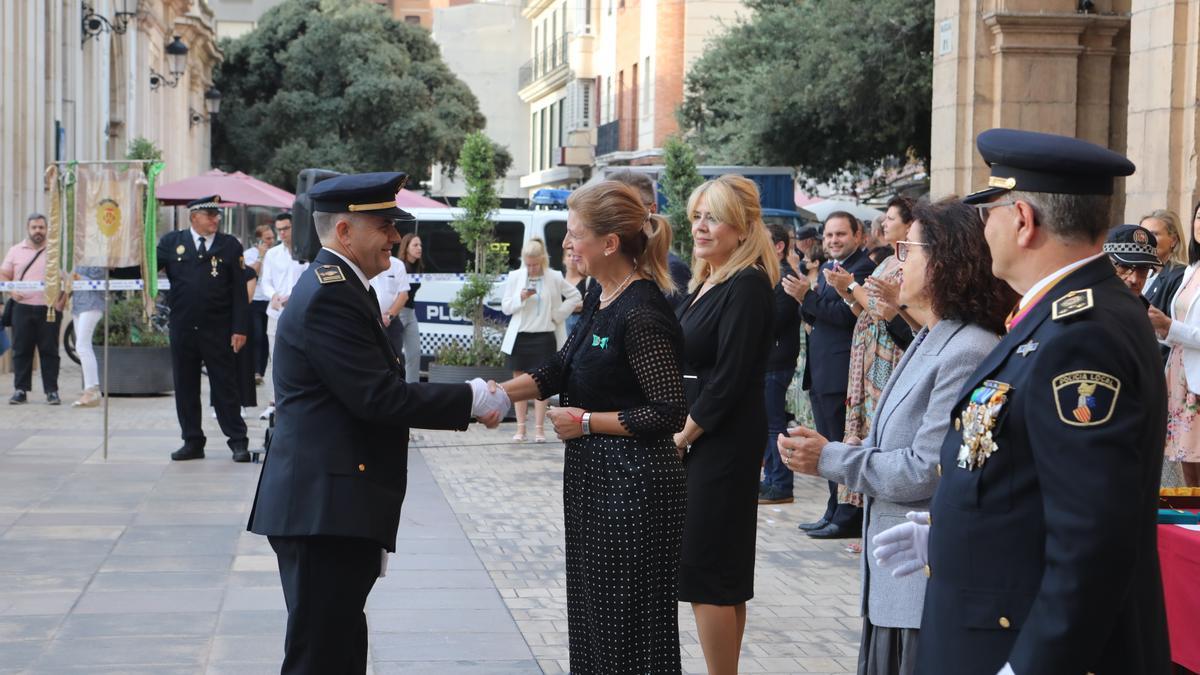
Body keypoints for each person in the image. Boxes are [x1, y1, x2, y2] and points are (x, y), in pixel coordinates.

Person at [874, 128, 1170, 675]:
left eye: (990, 211)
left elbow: (1092, 536)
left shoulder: (1084, 331)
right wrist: (957, 536)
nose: (983, 228)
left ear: (1023, 220)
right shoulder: (1054, 315)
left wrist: (1034, 666)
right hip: (992, 620)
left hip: (1021, 646)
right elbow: (1030, 478)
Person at [246, 171, 508, 675]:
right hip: (323, 509)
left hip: (333, 503)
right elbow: (377, 397)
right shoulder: (330, 295)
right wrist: (473, 397)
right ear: (346, 232)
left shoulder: (346, 285)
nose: (394, 236)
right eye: (384, 225)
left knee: (339, 645)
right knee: (319, 655)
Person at [779, 197, 1015, 675]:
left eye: (911, 249)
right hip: (895, 586)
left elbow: (923, 470)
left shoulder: (966, 347)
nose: (898, 262)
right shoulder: (936, 333)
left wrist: (829, 458)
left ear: (948, 263)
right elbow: (890, 441)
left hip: (921, 588)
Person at [488, 179, 687, 674]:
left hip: (635, 485)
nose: (568, 245)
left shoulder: (641, 310)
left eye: (575, 234)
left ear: (610, 243)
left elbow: (668, 411)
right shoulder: (602, 293)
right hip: (596, 477)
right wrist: (485, 396)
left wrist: (586, 422)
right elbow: (559, 368)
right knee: (594, 614)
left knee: (628, 623)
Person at [673, 174, 779, 675]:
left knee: (708, 572)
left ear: (741, 228)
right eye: (696, 216)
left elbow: (730, 377)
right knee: (720, 571)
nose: (701, 226)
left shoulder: (747, 284)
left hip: (721, 439)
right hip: (711, 435)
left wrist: (684, 435)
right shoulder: (709, 281)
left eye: (712, 217)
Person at [782, 212, 877, 539]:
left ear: (859, 235)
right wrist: (804, 297)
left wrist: (807, 296)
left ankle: (849, 513)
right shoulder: (827, 270)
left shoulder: (862, 269)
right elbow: (812, 313)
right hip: (821, 369)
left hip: (842, 371)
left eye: (841, 234)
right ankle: (833, 508)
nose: (834, 240)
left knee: (840, 444)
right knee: (827, 444)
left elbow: (844, 316)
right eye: (830, 236)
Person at [156, 196, 251, 462]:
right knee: (185, 386)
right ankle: (192, 440)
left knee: (225, 386)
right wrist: (114, 264)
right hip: (184, 328)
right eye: (210, 215)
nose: (215, 219)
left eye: (217, 215)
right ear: (194, 217)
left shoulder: (229, 246)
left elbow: (239, 293)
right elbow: (145, 268)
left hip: (218, 329)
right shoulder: (171, 243)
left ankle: (238, 441)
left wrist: (240, 328)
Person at [499, 238, 581, 442]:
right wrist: (521, 298)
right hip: (520, 337)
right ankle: (520, 429)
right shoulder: (515, 276)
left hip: (544, 336)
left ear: (542, 260)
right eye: (528, 264)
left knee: (541, 383)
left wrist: (558, 314)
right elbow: (506, 307)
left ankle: (539, 429)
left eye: (535, 264)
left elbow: (575, 296)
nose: (532, 268)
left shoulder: (553, 276)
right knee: (519, 383)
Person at [1149, 200, 1200, 487]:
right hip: (1179, 371)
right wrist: (1161, 328)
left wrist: (1170, 326)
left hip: (1197, 377)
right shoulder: (1192, 269)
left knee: (1196, 457)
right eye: (1199, 217)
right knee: (1185, 462)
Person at [759, 223, 802, 505]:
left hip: (776, 362)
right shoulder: (771, 276)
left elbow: (773, 322)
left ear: (779, 246)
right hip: (768, 361)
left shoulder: (785, 278)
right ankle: (773, 478)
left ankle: (781, 482)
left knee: (775, 424)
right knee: (769, 423)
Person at [1, 213, 63, 405]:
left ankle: (51, 391)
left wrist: (61, 302)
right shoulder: (15, 251)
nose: (38, 231)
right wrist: (12, 292)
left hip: (49, 309)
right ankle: (20, 390)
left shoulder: (55, 251)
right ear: (28, 229)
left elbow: (67, 278)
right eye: (34, 227)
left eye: (41, 227)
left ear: (46, 230)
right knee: (21, 350)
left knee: (49, 351)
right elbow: (3, 275)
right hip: (22, 308)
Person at [608, 169, 692, 305]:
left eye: (628, 206)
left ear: (652, 210)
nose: (617, 214)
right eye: (611, 207)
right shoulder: (606, 265)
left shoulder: (671, 269)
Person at [259, 211, 307, 418]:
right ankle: (274, 401)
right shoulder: (272, 254)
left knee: (301, 356)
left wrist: (292, 296)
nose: (283, 233)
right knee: (274, 357)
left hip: (300, 314)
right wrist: (274, 296)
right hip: (276, 313)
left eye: (286, 229)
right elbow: (265, 281)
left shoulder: (305, 252)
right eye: (279, 230)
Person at [243, 220, 278, 384]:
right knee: (256, 335)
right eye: (267, 238)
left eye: (272, 238)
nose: (271, 241)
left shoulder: (277, 253)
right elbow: (251, 274)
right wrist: (261, 256)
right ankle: (254, 370)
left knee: (265, 337)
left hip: (270, 300)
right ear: (258, 240)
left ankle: (260, 371)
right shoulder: (249, 253)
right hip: (255, 299)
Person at [70, 266, 107, 407]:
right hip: (78, 305)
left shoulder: (95, 256)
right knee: (83, 348)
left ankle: (91, 390)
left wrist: (78, 277)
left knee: (82, 346)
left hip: (92, 304)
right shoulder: (78, 256)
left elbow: (101, 281)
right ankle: (91, 389)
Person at [1140, 209, 1187, 313]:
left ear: (1173, 240)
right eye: (1143, 235)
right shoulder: (1142, 272)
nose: (1147, 241)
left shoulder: (1180, 276)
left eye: (1154, 234)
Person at [369, 252, 411, 363]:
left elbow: (403, 295)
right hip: (370, 322)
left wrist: (388, 316)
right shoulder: (364, 264)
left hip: (391, 323)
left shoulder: (397, 265)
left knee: (394, 361)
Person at [1103, 224, 1161, 298]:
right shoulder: (1091, 306)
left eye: (1143, 269)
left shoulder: (1145, 307)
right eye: (1124, 267)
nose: (1134, 280)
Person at [397, 233, 423, 383]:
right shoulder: (399, 266)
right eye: (415, 245)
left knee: (414, 353)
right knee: (394, 353)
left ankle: (413, 389)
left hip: (411, 313)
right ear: (406, 248)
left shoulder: (418, 268)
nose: (419, 248)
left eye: (420, 245)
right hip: (398, 312)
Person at [562, 253, 590, 336]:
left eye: (574, 256)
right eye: (569, 255)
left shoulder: (587, 280)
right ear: (563, 259)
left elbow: (587, 303)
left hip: (580, 323)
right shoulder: (558, 279)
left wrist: (564, 307)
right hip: (561, 323)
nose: (572, 259)